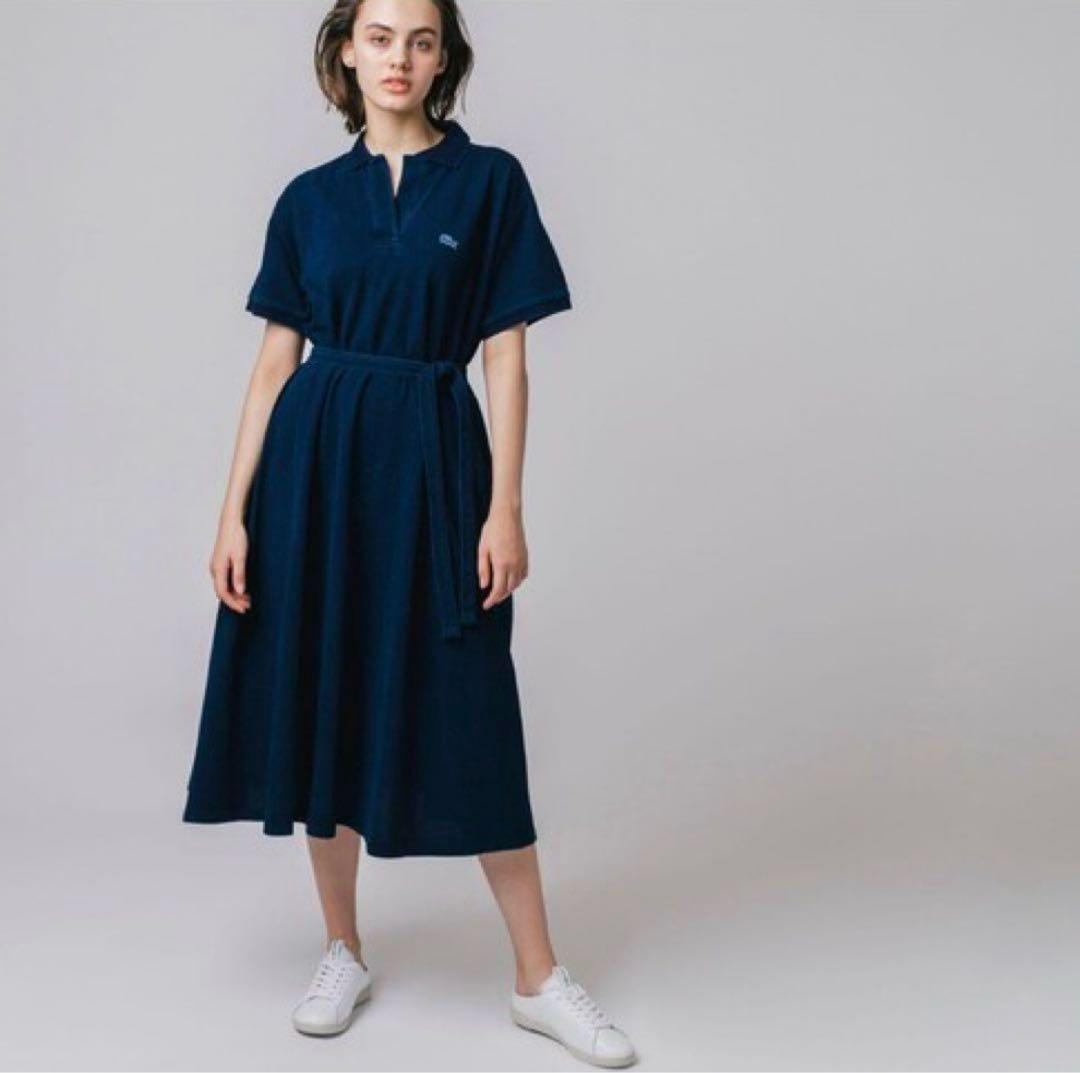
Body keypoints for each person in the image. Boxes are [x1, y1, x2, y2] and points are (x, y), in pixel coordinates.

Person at [181, 0, 637, 1066]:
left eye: (422, 40)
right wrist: (233, 511)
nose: (400, 57)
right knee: (324, 688)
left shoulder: (489, 183)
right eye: (381, 37)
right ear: (347, 51)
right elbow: (273, 364)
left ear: (444, 59)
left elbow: (507, 355)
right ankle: (342, 946)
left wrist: (505, 504)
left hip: (436, 464)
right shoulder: (308, 200)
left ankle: (537, 975)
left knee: (472, 701)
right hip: (315, 474)